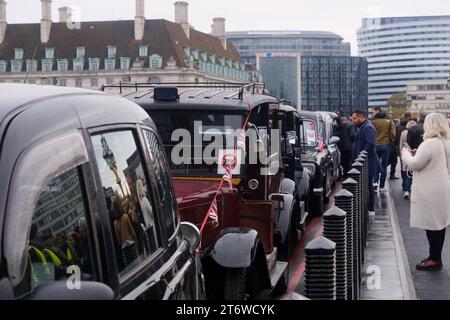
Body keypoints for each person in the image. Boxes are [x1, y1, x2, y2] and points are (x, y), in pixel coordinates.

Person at [401, 113, 450, 271]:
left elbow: (415, 164)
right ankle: (436, 257)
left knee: (431, 225)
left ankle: (434, 259)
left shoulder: (429, 143)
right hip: (442, 187)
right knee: (440, 223)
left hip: (429, 189)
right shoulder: (446, 142)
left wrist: (406, 154)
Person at [352, 109, 378, 215]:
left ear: (360, 117)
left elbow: (370, 144)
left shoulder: (367, 127)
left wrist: (362, 156)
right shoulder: (363, 126)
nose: (353, 120)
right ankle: (368, 208)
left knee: (368, 185)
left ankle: (370, 208)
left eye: (354, 118)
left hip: (367, 162)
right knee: (366, 185)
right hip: (363, 162)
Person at [372, 109, 396, 191]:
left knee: (375, 164)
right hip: (386, 145)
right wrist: (391, 141)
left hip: (375, 145)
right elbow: (393, 133)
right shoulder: (389, 122)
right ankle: (382, 186)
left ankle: (375, 182)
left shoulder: (373, 122)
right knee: (384, 165)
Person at [399, 118, 416, 200]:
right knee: (413, 172)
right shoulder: (416, 132)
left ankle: (406, 189)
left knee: (406, 172)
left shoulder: (404, 132)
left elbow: (401, 144)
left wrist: (401, 153)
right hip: (415, 153)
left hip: (406, 153)